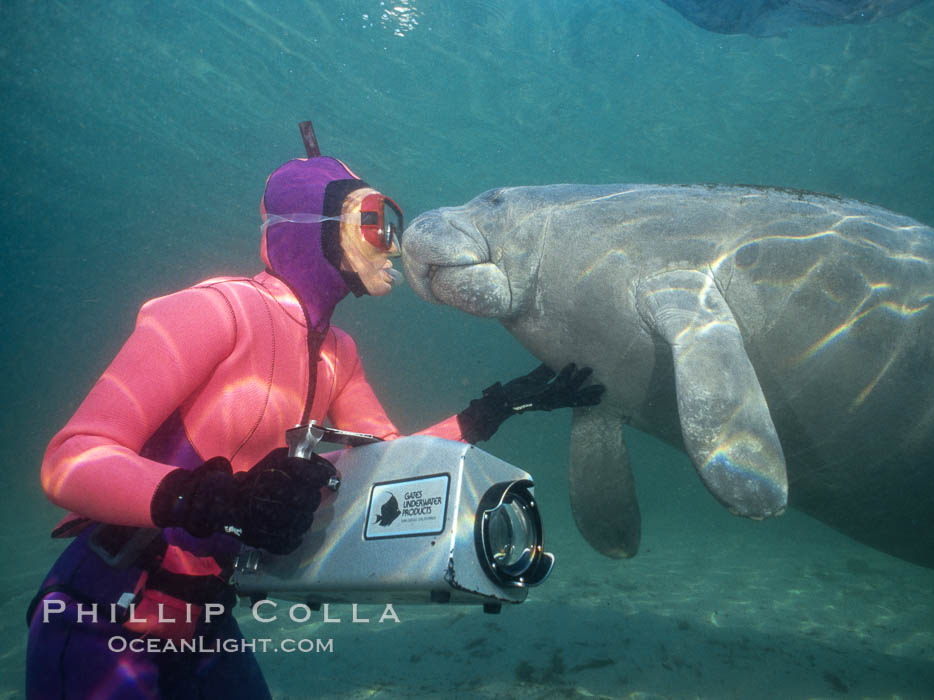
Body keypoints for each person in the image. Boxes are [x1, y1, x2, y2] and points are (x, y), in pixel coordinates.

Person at [25, 125, 603, 699]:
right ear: (317, 225)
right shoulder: (212, 312)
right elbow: (69, 460)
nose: (396, 245)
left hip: (205, 624)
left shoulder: (338, 355)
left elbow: (392, 469)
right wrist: (218, 498)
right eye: (376, 221)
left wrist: (497, 407)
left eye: (393, 225)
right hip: (99, 615)